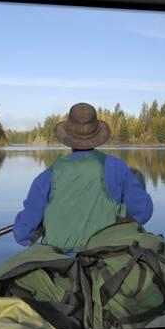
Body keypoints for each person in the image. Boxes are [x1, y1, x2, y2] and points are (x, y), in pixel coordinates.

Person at [14, 103, 153, 252]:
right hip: (106, 260)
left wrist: (43, 221)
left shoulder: (47, 176)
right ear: (97, 135)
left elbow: (23, 234)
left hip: (60, 263)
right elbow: (142, 213)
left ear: (67, 137)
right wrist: (119, 212)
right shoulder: (118, 168)